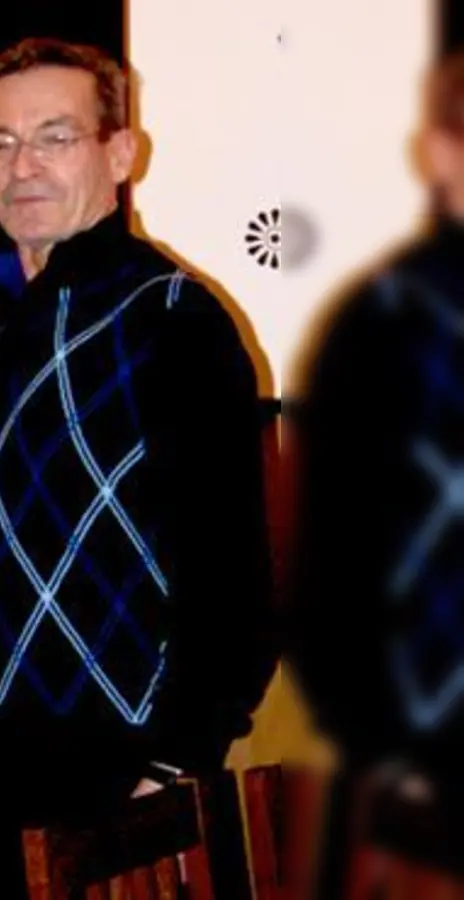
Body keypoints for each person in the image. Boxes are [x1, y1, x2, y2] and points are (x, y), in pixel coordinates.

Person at [0, 38, 277, 898]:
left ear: (121, 153)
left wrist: (173, 766)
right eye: (0, 143)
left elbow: (232, 582)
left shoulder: (174, 319)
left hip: (113, 774)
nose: (22, 166)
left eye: (55, 137)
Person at [288, 48, 464, 896]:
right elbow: (328, 570)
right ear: (439, 153)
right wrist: (390, 758)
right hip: (424, 789)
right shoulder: (380, 322)